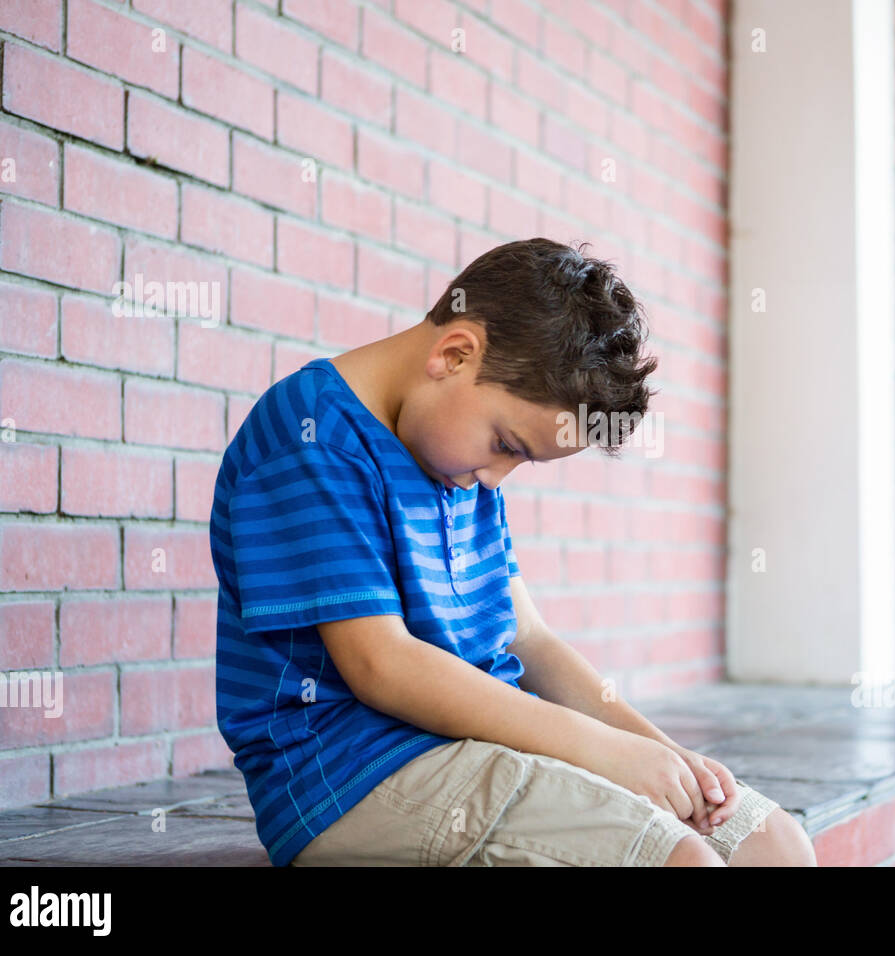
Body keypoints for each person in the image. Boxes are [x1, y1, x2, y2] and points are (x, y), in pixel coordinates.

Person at [209, 237, 815, 867]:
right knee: (680, 861)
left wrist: (661, 755)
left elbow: (527, 636)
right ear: (455, 354)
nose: (498, 479)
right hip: (351, 775)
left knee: (772, 844)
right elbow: (381, 665)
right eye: (508, 444)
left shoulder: (455, 456)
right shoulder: (315, 437)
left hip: (481, 744)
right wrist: (600, 751)